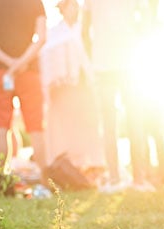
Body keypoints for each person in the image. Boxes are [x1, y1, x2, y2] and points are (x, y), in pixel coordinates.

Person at [83, 0, 153, 193]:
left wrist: (93, 57)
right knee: (133, 121)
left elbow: (84, 31)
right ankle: (136, 180)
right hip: (122, 63)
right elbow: (146, 23)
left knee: (110, 124)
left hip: (114, 64)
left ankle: (117, 180)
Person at [0, 0, 48, 173]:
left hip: (0, 72)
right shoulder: (35, 2)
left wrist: (9, 63)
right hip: (29, 70)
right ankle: (45, 180)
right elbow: (41, 38)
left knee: (1, 127)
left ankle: (3, 178)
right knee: (36, 127)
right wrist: (21, 62)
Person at [39, 0, 104, 176]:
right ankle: (71, 166)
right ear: (62, 9)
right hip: (64, 88)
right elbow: (47, 58)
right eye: (70, 6)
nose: (74, 9)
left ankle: (92, 165)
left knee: (87, 124)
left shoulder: (84, 29)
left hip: (83, 85)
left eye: (76, 5)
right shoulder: (54, 33)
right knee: (67, 127)